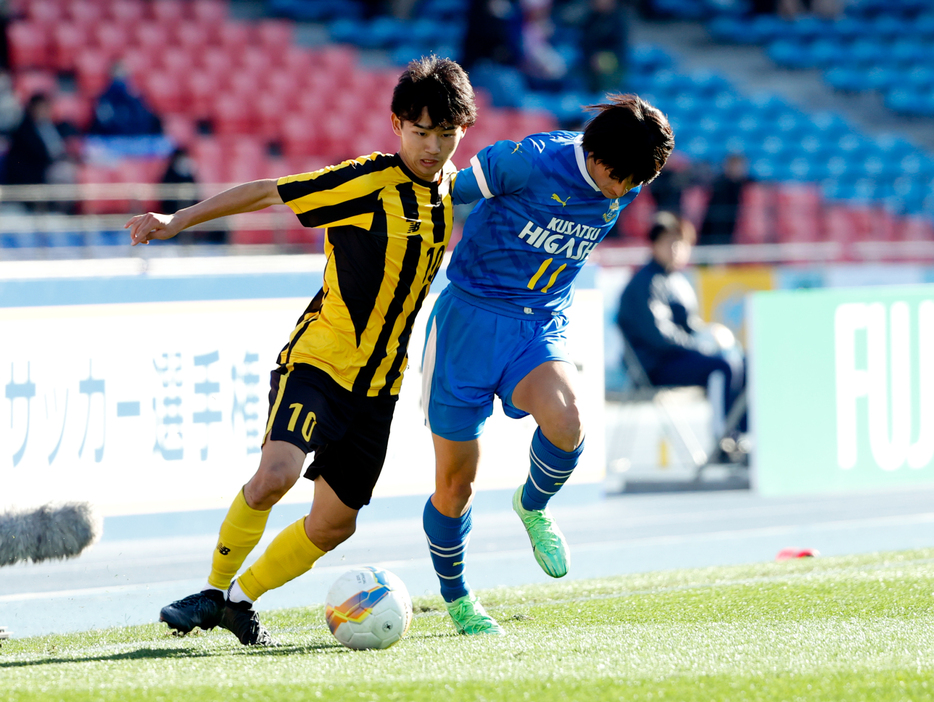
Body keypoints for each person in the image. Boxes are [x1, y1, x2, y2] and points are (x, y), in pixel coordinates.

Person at [125, 56, 477, 646]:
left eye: (446, 134)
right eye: (421, 132)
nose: (433, 147)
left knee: (335, 523)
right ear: (396, 125)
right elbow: (268, 191)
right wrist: (177, 219)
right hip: (319, 360)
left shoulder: (450, 191)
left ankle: (240, 600)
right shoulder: (367, 181)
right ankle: (210, 590)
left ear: (463, 132)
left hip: (381, 385)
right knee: (275, 475)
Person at [421, 93, 674, 634]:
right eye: (624, 179)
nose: (628, 192)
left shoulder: (620, 185)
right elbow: (443, 191)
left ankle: (532, 506)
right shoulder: (527, 161)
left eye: (639, 183)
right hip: (468, 321)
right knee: (455, 485)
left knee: (568, 423)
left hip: (537, 325)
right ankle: (459, 599)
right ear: (600, 158)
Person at [616, 212, 746, 454]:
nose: (676, 249)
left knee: (742, 361)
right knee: (723, 366)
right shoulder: (644, 283)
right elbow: (659, 337)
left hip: (677, 358)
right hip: (654, 366)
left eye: (682, 244)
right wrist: (703, 346)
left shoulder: (677, 280)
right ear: (654, 245)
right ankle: (724, 441)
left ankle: (742, 435)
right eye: (670, 242)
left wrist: (712, 335)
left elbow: (690, 327)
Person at [698, 152, 750, 246]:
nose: (737, 169)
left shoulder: (749, 186)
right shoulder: (718, 186)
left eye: (739, 165)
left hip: (738, 229)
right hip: (718, 231)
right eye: (734, 165)